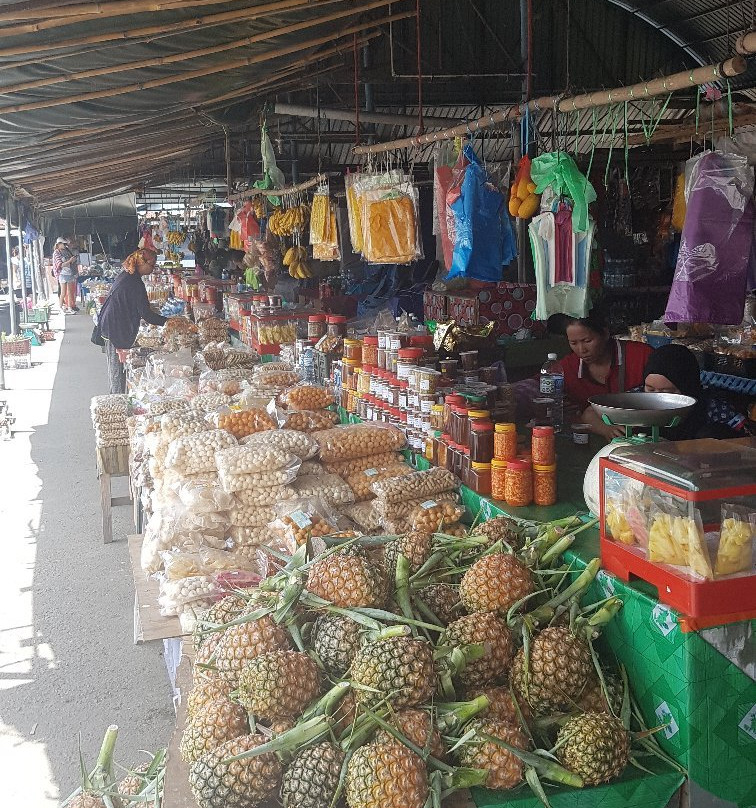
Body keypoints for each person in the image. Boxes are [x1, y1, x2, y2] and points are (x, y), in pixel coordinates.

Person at [558, 310, 653, 441]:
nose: (581, 350)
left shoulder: (641, 355)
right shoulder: (568, 366)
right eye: (573, 343)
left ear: (605, 334)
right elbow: (587, 414)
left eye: (587, 340)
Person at [642, 344, 750, 440]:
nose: (656, 397)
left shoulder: (714, 409)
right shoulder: (634, 403)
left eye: (667, 392)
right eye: (650, 389)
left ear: (688, 388)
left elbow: (747, 439)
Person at [98, 248, 167, 394]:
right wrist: (169, 322)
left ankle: (118, 397)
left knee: (117, 371)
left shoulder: (127, 275)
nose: (153, 268)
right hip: (114, 328)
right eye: (152, 264)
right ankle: (117, 403)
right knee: (117, 373)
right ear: (142, 263)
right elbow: (147, 315)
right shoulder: (134, 282)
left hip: (112, 324)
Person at [52, 237, 79, 313]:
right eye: (63, 244)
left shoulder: (67, 251)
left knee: (70, 292)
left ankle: (69, 307)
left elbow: (71, 261)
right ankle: (60, 307)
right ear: (59, 244)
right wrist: (70, 261)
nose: (65, 245)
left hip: (69, 273)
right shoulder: (56, 253)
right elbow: (60, 265)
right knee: (63, 292)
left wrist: (72, 260)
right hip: (62, 274)